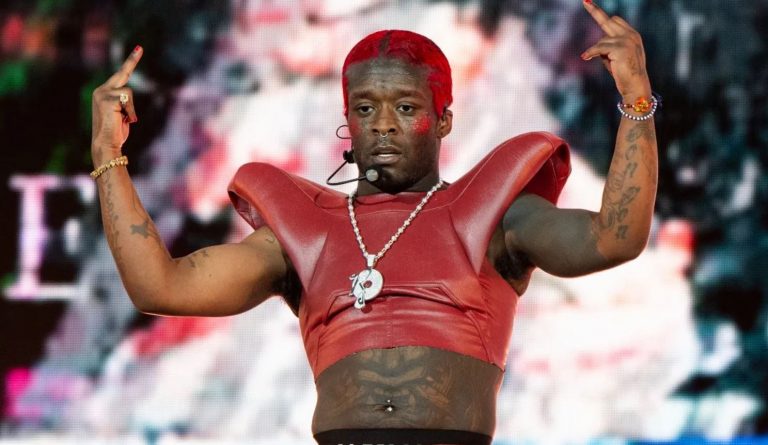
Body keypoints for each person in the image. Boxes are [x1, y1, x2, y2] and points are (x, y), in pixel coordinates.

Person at [89, 1, 657, 444]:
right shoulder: (304, 232)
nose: (383, 124)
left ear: (443, 119)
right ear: (348, 120)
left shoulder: (496, 214)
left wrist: (636, 102)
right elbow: (159, 287)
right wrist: (108, 156)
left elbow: (613, 239)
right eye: (365, 109)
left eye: (405, 108)